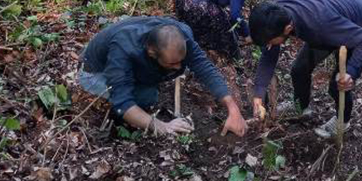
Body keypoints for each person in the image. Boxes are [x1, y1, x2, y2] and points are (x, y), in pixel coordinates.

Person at [78, 16, 247, 136]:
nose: (179, 67)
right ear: (152, 52)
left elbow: (204, 67)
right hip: (93, 71)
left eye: (181, 61)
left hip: (132, 55)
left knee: (151, 89)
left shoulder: (180, 35)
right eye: (173, 63)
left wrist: (232, 108)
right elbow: (123, 102)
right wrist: (163, 126)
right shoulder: (123, 50)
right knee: (147, 97)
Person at [249, 0, 362, 138]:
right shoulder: (274, 14)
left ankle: (343, 122)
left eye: (270, 42)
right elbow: (269, 56)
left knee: (338, 84)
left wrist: (352, 71)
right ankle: (300, 106)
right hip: (332, 18)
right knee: (299, 69)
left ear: (288, 28)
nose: (269, 46)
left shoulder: (319, 25)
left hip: (360, 28)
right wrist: (258, 96)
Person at [175, 0, 254, 59]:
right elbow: (235, 15)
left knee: (224, 16)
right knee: (224, 27)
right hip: (192, 0)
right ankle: (231, 55)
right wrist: (247, 34)